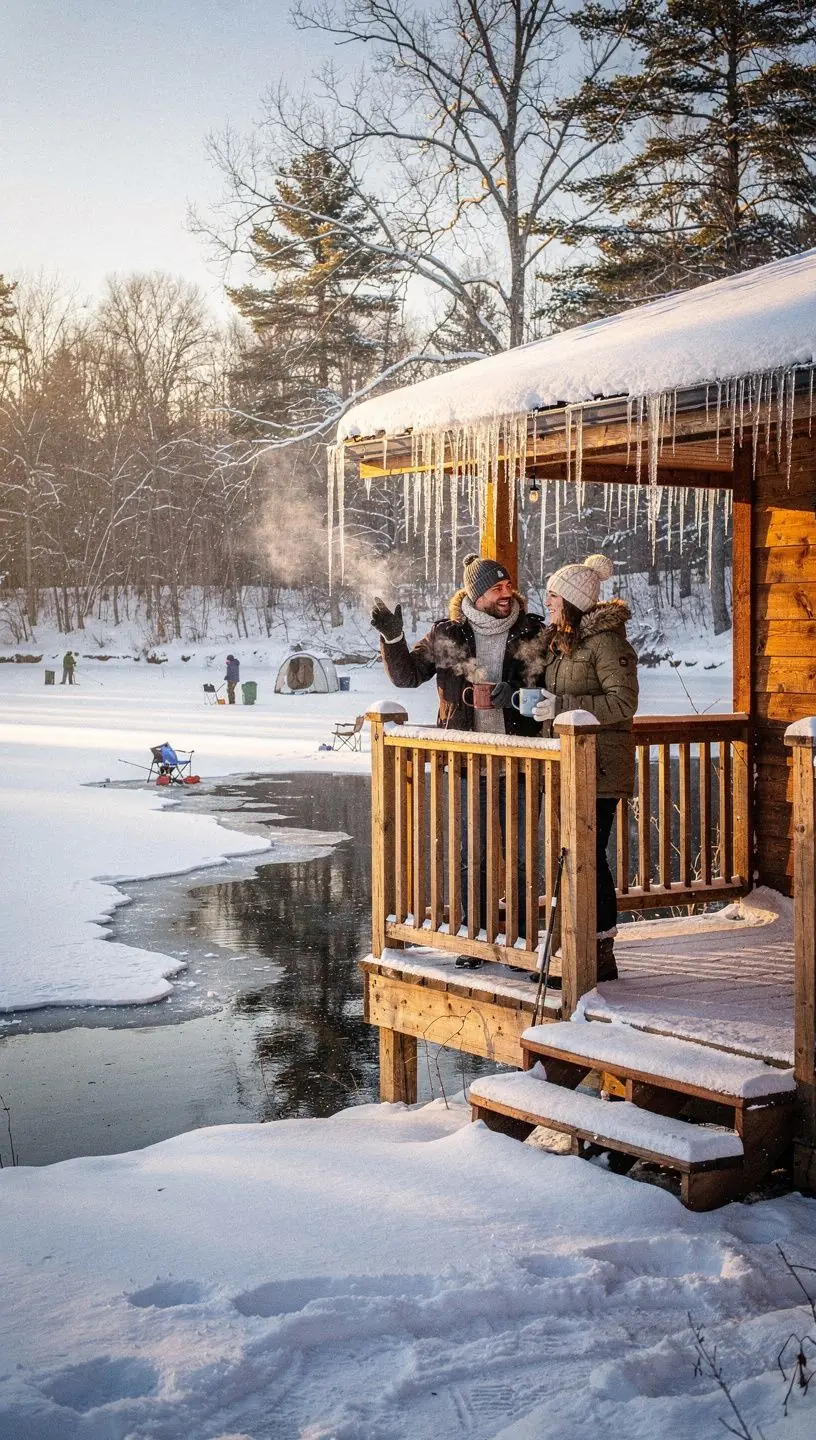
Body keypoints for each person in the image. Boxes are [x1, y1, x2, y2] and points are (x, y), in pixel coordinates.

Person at [371, 553, 553, 953]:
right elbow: (406, 677)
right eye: (496, 588)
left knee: (522, 859)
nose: (506, 593)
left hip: (522, 764)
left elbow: (554, 686)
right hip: (469, 765)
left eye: (508, 585)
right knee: (473, 858)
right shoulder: (449, 635)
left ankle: (523, 941)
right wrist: (393, 639)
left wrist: (517, 694)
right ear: (476, 595)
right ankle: (477, 941)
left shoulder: (532, 631)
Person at [533, 553, 638, 983]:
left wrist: (563, 705)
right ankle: (572, 949)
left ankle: (598, 954)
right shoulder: (563, 642)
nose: (548, 601)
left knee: (588, 857)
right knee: (571, 855)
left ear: (573, 601)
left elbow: (623, 702)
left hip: (600, 769)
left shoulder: (607, 643)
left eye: (554, 596)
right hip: (566, 766)